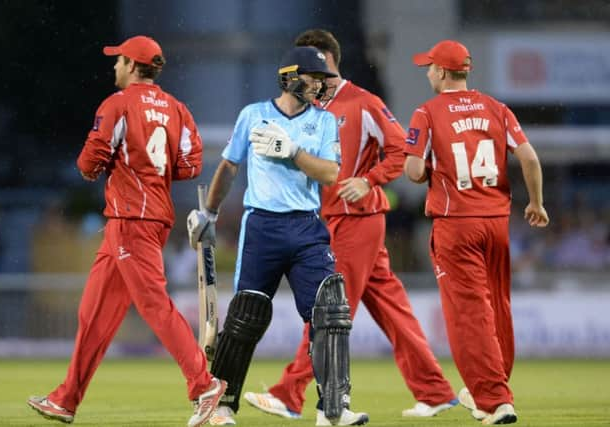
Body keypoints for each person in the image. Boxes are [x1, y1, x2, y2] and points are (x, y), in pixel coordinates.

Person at [243, 29, 458, 421]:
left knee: (330, 308)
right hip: (327, 220)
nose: (299, 75)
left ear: (324, 61)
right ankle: (435, 391)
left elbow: (401, 150)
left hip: (355, 219)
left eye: (307, 65)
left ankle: (289, 393)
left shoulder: (363, 103)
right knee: (392, 309)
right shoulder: (307, 109)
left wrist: (369, 180)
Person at [26, 35, 226, 427]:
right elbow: (191, 165)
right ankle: (66, 399)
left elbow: (91, 160)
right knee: (94, 314)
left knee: (153, 304)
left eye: (118, 60)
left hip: (130, 218)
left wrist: (97, 168)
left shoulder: (117, 104)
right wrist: (154, 171)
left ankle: (203, 385)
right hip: (153, 216)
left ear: (133, 66)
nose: (113, 66)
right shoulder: (177, 108)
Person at [187, 46, 368, 426]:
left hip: (306, 226)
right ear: (290, 76)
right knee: (245, 317)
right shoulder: (253, 115)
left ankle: (333, 409)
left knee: (330, 312)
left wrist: (293, 152)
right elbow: (229, 167)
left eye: (323, 79)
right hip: (262, 227)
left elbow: (331, 174)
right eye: (313, 77)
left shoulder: (323, 121)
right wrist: (210, 213)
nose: (320, 85)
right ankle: (222, 406)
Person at [403, 39, 549, 425]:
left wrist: (430, 167)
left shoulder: (427, 112)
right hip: (497, 222)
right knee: (498, 306)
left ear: (443, 72)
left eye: (430, 66)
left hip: (456, 224)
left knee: (469, 314)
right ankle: (495, 385)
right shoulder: (496, 108)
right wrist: (535, 203)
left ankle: (494, 399)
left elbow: (415, 171)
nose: (427, 72)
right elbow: (530, 157)